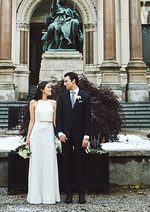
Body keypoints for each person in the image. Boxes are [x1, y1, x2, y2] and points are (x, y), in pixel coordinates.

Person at [55, 72, 91, 204]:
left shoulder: (85, 97)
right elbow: (58, 117)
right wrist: (59, 133)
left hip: (80, 136)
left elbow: (87, 119)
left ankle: (81, 194)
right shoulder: (62, 97)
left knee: (81, 165)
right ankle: (68, 194)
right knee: (66, 165)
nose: (64, 84)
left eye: (66, 81)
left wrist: (86, 137)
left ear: (73, 81)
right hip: (66, 136)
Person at [25, 81, 60, 204]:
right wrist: (28, 137)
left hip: (49, 132)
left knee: (49, 162)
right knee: (37, 162)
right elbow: (31, 121)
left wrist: (60, 134)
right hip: (37, 133)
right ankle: (36, 196)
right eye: (48, 87)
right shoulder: (33, 103)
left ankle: (49, 196)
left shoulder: (53, 103)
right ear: (42, 89)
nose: (50, 89)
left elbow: (55, 122)